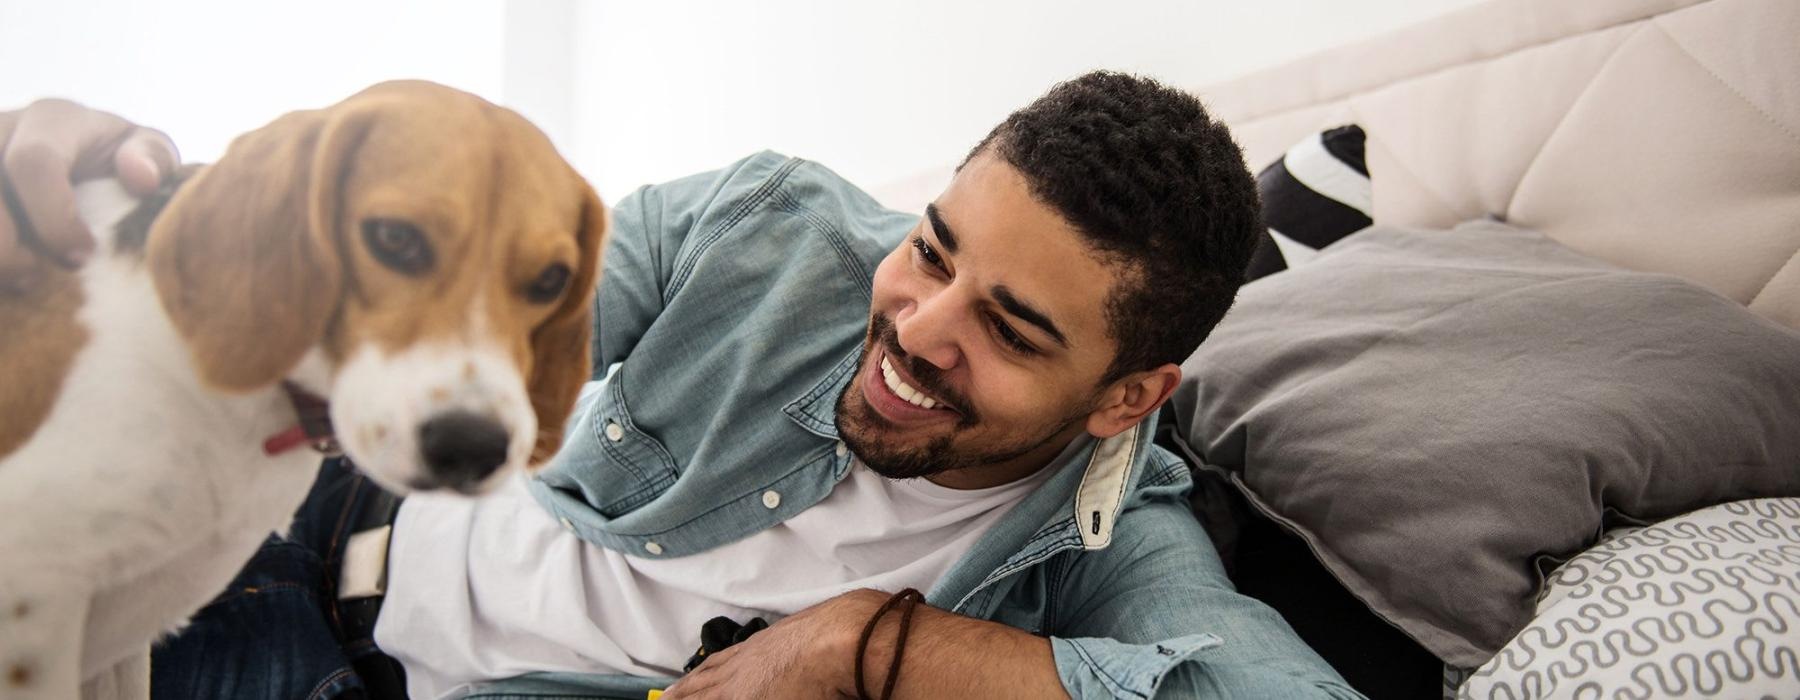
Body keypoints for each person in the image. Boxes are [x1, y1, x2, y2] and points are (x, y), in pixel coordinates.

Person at [0, 72, 1361, 699]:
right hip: (317, 496)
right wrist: (135, 192)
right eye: (931, 250)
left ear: (1127, 396)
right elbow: (470, 285)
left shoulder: (1110, 537)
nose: (915, 326)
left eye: (1006, 330)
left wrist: (861, 645)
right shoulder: (768, 225)